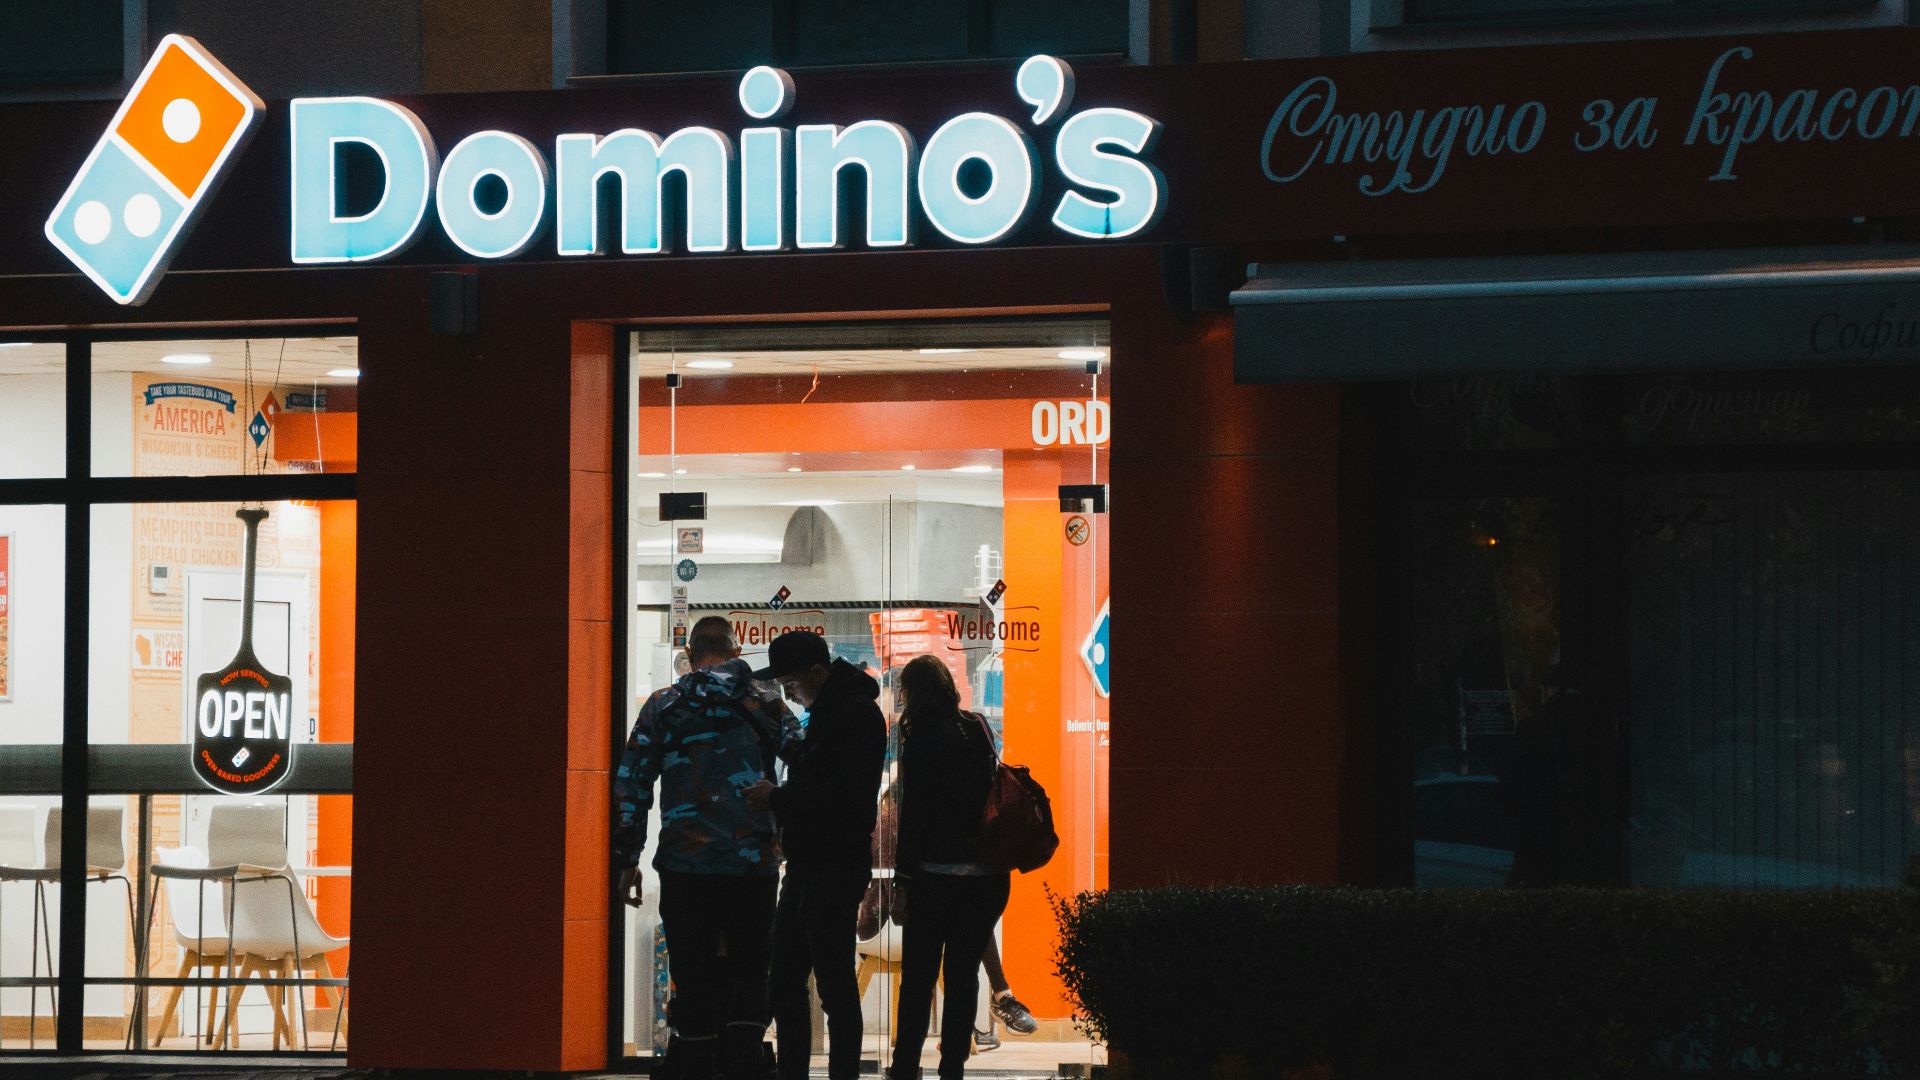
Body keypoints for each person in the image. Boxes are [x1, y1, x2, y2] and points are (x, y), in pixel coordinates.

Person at [615, 615, 800, 1080]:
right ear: (737, 653)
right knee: (751, 968)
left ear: (691, 656)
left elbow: (631, 785)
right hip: (753, 866)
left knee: (693, 970)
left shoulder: (665, 705)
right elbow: (809, 763)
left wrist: (627, 859)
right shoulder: (767, 704)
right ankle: (744, 1063)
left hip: (686, 865)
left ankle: (696, 1061)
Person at [744, 631, 887, 1080]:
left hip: (833, 869)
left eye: (792, 687)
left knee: (833, 986)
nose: (792, 698)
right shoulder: (832, 713)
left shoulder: (854, 716)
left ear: (818, 674)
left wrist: (776, 799)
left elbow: (839, 798)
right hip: (809, 868)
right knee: (787, 982)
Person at [886, 655, 1007, 1080]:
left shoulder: (919, 738)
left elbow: (912, 817)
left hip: (933, 880)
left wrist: (902, 883)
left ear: (913, 693)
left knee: (917, 981)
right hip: (983, 879)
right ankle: (952, 1066)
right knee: (962, 977)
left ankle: (905, 1066)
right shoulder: (976, 727)